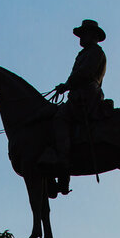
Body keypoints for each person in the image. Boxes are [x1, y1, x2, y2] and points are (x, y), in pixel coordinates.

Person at [50, 19, 107, 195]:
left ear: (93, 36)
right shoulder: (84, 53)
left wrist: (66, 85)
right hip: (79, 94)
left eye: (84, 34)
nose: (81, 38)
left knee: (60, 119)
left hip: (87, 95)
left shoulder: (96, 52)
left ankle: (63, 173)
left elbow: (84, 74)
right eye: (80, 34)